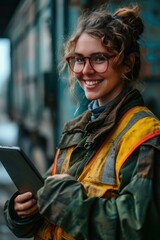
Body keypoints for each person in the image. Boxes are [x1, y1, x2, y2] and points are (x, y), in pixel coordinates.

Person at [4, 4, 160, 240]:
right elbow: (48, 196)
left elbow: (138, 228)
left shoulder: (144, 134)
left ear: (127, 63)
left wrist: (65, 202)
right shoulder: (77, 129)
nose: (85, 71)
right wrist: (21, 211)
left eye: (99, 59)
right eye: (78, 59)